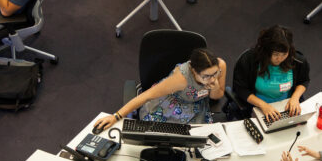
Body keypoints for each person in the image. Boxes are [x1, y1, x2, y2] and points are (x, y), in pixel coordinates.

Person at [94, 48, 227, 131]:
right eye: (206, 76)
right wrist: (116, 116)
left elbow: (217, 96)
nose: (212, 79)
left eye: (215, 74)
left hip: (197, 107)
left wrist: (215, 86)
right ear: (193, 71)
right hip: (172, 106)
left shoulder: (219, 67)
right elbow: (146, 96)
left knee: (200, 140)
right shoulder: (180, 79)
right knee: (165, 138)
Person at [232, 25, 310, 121]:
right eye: (275, 54)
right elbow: (240, 88)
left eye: (284, 54)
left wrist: (295, 98)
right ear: (266, 50)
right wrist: (263, 105)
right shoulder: (249, 60)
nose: (280, 59)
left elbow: (304, 81)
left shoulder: (297, 60)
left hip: (286, 104)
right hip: (257, 106)